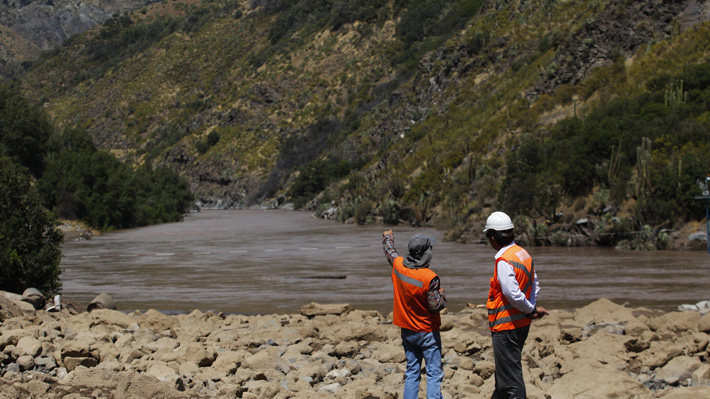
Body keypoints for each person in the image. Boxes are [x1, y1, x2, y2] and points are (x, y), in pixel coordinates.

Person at [483, 211, 549, 399]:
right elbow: (535, 284)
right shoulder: (522, 253)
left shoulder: (503, 260)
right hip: (521, 324)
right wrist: (531, 309)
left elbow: (511, 293)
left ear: (493, 237)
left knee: (510, 378)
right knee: (505, 374)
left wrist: (530, 310)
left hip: (506, 327)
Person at [382, 229, 447, 399]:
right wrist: (442, 295)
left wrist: (388, 237)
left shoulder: (398, 266)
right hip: (427, 331)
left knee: (412, 371)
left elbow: (390, 251)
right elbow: (435, 306)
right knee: (433, 373)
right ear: (426, 254)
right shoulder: (429, 277)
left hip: (407, 329)